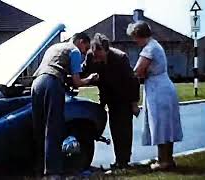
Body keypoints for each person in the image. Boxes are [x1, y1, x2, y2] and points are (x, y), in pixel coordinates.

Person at [31, 32, 99, 178]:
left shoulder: (55, 47)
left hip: (36, 83)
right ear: (81, 41)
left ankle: (38, 170)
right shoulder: (74, 51)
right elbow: (77, 82)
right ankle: (53, 172)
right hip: (52, 83)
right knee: (53, 128)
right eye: (84, 48)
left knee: (39, 128)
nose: (83, 52)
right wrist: (90, 78)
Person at [126, 21, 183, 170]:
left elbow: (137, 71)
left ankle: (164, 161)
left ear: (139, 35)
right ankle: (167, 159)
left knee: (160, 124)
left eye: (134, 37)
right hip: (163, 86)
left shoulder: (149, 49)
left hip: (158, 89)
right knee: (166, 125)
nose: (134, 41)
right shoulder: (155, 45)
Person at [81, 33, 140, 169]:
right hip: (108, 97)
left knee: (124, 129)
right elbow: (83, 71)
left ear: (105, 50)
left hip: (124, 97)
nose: (96, 58)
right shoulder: (90, 56)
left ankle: (123, 162)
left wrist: (134, 104)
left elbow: (133, 82)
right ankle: (119, 160)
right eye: (94, 54)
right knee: (114, 128)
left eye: (98, 54)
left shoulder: (120, 58)